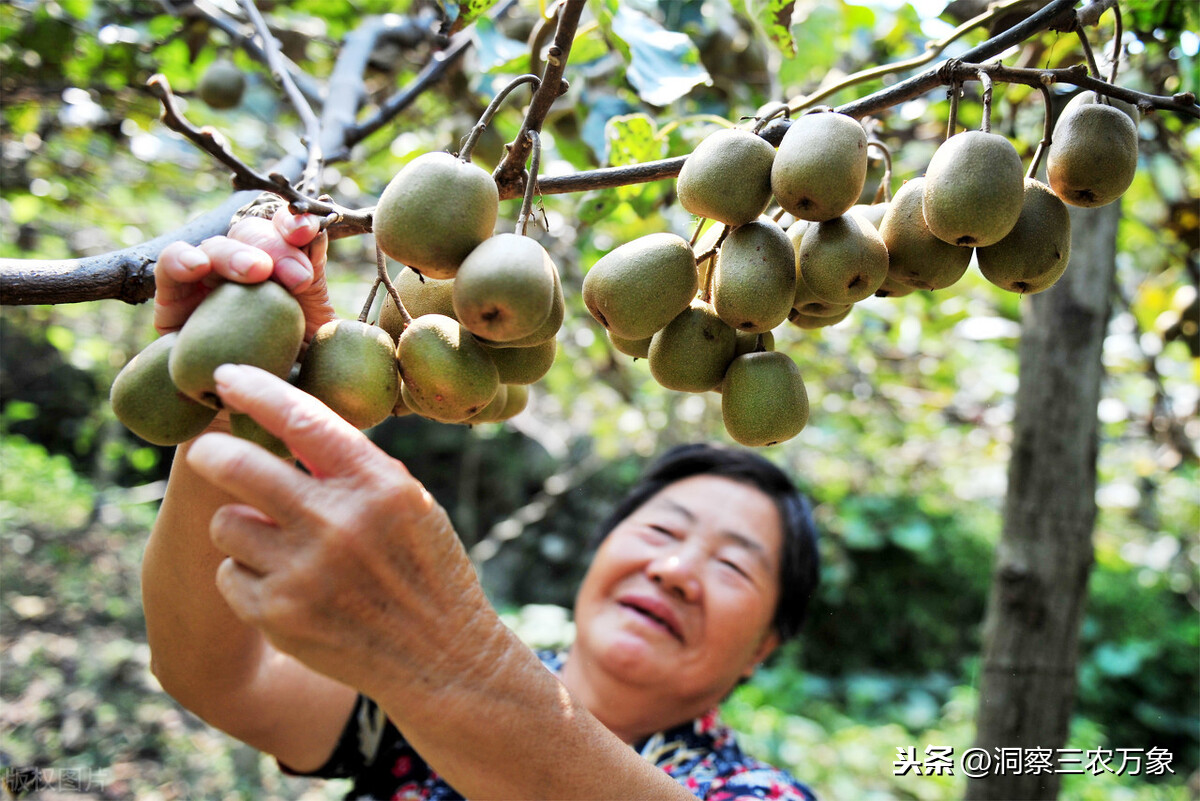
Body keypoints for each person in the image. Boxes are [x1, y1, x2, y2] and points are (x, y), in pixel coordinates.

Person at [141, 208, 822, 800]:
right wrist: (243, 392)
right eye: (663, 528)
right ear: (599, 553)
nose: (674, 568)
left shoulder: (755, 790)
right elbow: (222, 677)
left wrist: (446, 657)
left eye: (734, 566)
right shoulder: (411, 705)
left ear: (763, 647)